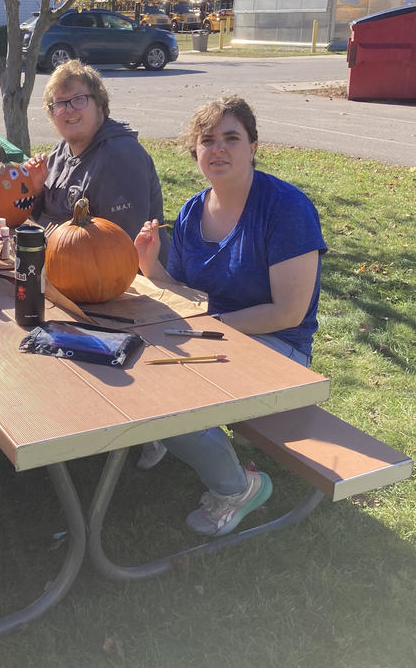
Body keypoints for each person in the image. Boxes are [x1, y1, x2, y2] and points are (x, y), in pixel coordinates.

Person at [134, 96, 327, 535]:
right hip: (217, 336)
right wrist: (152, 268)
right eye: (207, 140)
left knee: (168, 399)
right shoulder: (191, 211)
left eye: (231, 138)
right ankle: (176, 438)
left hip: (280, 348)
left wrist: (208, 328)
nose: (217, 149)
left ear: (253, 146)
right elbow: (189, 298)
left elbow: (288, 311)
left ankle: (237, 488)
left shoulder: (286, 209)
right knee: (134, 363)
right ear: (195, 152)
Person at [24, 59, 170, 254]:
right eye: (60, 103)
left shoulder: (121, 157)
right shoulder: (60, 152)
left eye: (78, 99)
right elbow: (43, 217)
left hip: (124, 279)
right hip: (54, 260)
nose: (69, 109)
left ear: (99, 105)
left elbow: (120, 245)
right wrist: (37, 189)